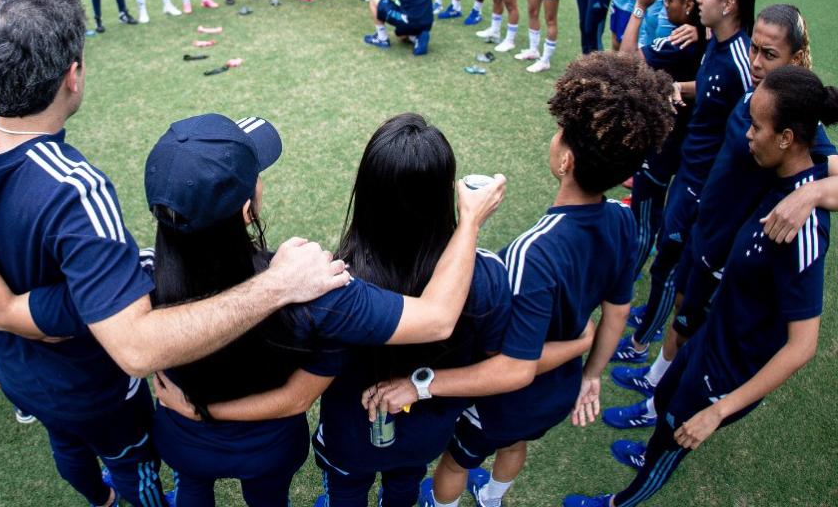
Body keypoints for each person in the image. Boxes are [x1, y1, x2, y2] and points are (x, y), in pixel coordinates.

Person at [0, 0, 355, 507]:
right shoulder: (75, 191)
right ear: (73, 75)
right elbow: (135, 349)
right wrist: (277, 285)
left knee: (67, 444)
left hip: (19, 375)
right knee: (133, 464)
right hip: (92, 393)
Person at [140, 112, 511, 507]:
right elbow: (436, 319)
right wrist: (469, 221)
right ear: (248, 209)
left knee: (195, 490)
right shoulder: (319, 290)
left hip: (185, 440)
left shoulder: (135, 286)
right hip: (272, 450)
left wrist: (199, 411)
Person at [367, 52, 675, 507]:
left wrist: (420, 384)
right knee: (516, 447)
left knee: (455, 463)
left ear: (565, 159)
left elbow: (513, 367)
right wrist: (590, 375)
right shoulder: (622, 220)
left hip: (505, 400)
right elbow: (617, 312)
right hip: (559, 392)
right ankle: (492, 498)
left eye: (560, 132)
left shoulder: (532, 253)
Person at [566, 65, 836, 507]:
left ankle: (621, 501)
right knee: (668, 399)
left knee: (674, 440)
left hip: (729, 372)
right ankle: (651, 445)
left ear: (787, 138)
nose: (747, 134)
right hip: (711, 336)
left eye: (756, 126)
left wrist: (718, 411)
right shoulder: (781, 176)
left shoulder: (804, 227)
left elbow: (802, 346)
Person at [607, 5, 835, 426]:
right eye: (754, 49)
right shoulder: (755, 94)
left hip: (727, 250)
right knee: (681, 304)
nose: (756, 62)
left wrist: (815, 192)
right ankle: (657, 377)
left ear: (795, 60)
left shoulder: (796, 123)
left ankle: (657, 402)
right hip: (704, 227)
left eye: (770, 54)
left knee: (692, 322)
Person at [613, 0, 756, 372]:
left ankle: (643, 347)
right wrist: (678, 88)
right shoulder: (712, 42)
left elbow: (748, 119)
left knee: (670, 268)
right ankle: (653, 327)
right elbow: (711, 92)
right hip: (689, 173)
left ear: (727, 3)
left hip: (704, 185)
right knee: (667, 263)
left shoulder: (740, 60)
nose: (697, 2)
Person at [615, 0, 706, 290]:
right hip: (690, 151)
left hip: (662, 147)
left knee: (645, 220)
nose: (664, 4)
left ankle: (625, 281)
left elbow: (625, 59)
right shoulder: (715, 42)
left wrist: (640, 5)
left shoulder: (678, 42)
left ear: (691, 3)